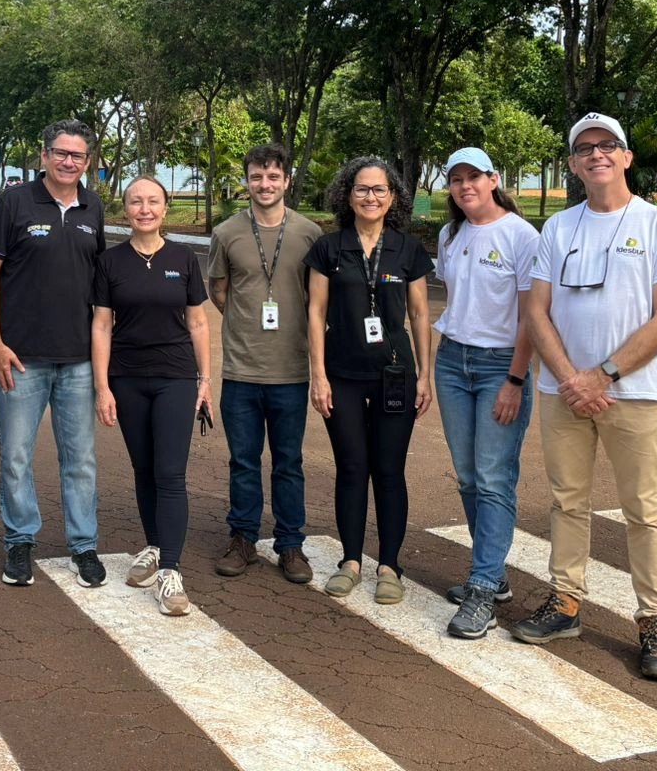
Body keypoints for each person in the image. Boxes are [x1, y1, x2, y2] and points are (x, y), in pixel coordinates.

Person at [516, 113, 657, 682]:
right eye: (584, 148)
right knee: (567, 501)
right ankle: (565, 603)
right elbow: (536, 311)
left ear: (626, 156)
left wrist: (604, 375)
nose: (596, 154)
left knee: (644, 509)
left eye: (607, 145)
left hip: (634, 393)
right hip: (561, 392)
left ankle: (655, 623)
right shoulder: (557, 228)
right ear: (573, 164)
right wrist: (572, 377)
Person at [0, 119, 108, 589]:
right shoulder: (13, 202)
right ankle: (20, 541)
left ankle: (83, 545)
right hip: (21, 357)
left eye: (77, 156)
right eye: (60, 153)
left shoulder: (94, 207)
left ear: (87, 162)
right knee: (15, 455)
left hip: (77, 360)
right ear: (44, 155)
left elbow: (101, 288)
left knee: (81, 459)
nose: (67, 161)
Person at [304, 157, 434, 606]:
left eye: (379, 190)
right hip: (341, 375)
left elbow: (419, 314)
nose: (370, 197)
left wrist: (425, 375)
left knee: (389, 470)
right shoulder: (328, 248)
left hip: (395, 377)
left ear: (393, 197)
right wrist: (317, 376)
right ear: (348, 194)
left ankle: (390, 566)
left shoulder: (407, 249)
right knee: (352, 469)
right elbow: (315, 313)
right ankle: (351, 561)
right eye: (362, 189)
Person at [431, 147, 540, 640]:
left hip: (500, 366)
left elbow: (530, 319)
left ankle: (481, 588)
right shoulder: (450, 235)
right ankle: (492, 576)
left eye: (474, 176)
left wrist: (515, 381)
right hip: (453, 360)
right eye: (456, 179)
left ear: (494, 179)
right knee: (470, 477)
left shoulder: (522, 236)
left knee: (495, 478)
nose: (465, 186)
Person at [92, 176, 212, 616]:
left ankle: (171, 572)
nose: (145, 208)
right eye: (136, 201)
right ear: (125, 209)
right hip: (126, 377)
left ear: (164, 209)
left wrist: (205, 379)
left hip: (176, 377)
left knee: (170, 473)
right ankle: (156, 546)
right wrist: (102, 386)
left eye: (153, 201)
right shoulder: (110, 262)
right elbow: (102, 325)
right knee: (143, 469)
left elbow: (198, 323)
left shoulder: (183, 258)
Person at [207, 144, 322, 585]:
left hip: (291, 370)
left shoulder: (309, 234)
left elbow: (317, 298)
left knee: (289, 461)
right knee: (243, 460)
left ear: (287, 180)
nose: (265, 185)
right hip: (241, 369)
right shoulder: (227, 232)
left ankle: (291, 543)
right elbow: (220, 290)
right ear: (247, 180)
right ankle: (242, 538)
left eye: (273, 177)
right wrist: (243, 324)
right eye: (257, 177)